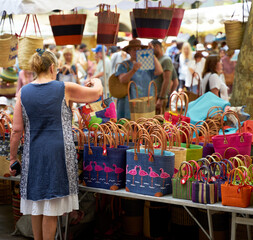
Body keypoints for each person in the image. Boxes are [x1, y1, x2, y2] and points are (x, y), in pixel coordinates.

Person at [9, 49, 103, 240]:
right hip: (58, 153)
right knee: (50, 208)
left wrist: (12, 158)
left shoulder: (23, 92)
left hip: (33, 153)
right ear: (52, 67)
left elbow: (16, 130)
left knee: (37, 205)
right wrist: (97, 81)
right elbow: (97, 94)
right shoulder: (64, 88)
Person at [115, 39, 163, 119]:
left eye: (139, 49)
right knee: (129, 128)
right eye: (134, 50)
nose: (136, 52)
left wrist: (151, 54)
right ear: (129, 52)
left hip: (145, 103)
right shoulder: (124, 65)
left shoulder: (146, 64)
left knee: (145, 127)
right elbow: (122, 80)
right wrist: (133, 70)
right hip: (129, 105)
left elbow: (159, 71)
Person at [150, 40, 174, 114]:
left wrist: (161, 98)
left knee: (159, 121)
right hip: (154, 96)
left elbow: (167, 80)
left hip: (159, 97)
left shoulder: (166, 60)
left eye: (150, 48)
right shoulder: (157, 60)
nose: (149, 50)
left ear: (156, 46)